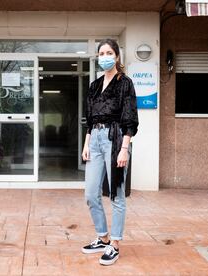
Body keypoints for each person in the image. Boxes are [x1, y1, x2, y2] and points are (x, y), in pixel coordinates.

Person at [81, 38, 139, 266]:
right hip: (94, 138)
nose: (104, 56)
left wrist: (125, 148)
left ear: (117, 57)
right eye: (101, 53)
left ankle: (114, 244)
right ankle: (102, 237)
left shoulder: (125, 83)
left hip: (115, 139)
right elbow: (90, 118)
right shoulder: (94, 86)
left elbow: (130, 119)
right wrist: (86, 143)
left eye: (109, 53)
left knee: (116, 194)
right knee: (90, 193)